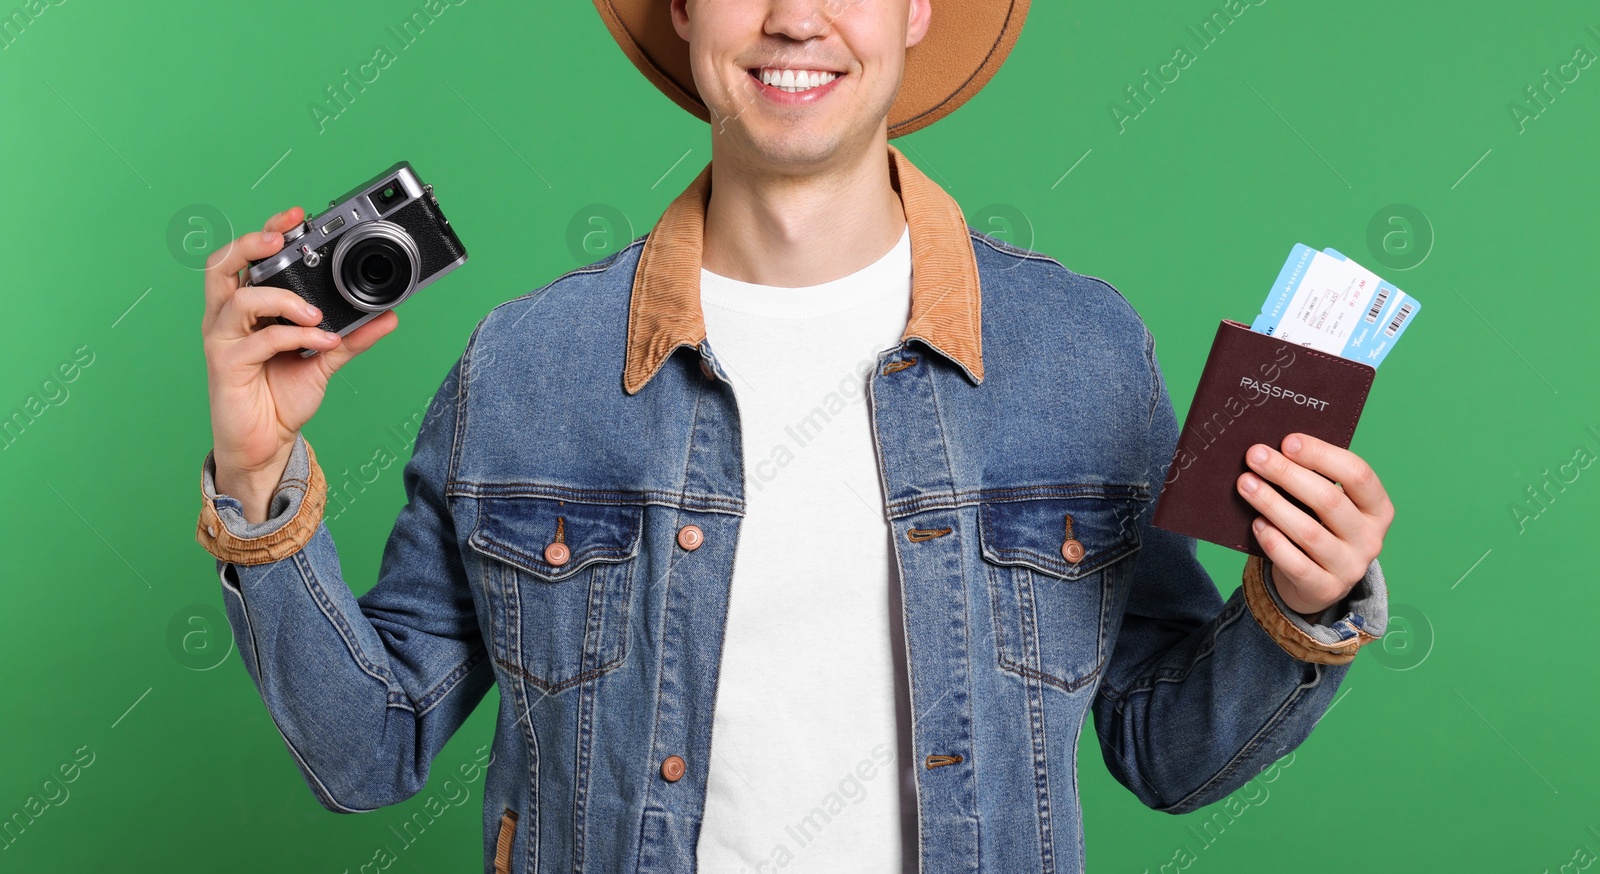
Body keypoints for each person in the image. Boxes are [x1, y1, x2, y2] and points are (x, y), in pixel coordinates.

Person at [194, 1, 1392, 871]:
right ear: (681, 9)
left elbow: (1167, 751)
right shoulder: (525, 366)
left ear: (918, 10)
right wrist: (256, 479)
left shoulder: (1081, 352)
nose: (793, 17)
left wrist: (1304, 602)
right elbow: (370, 751)